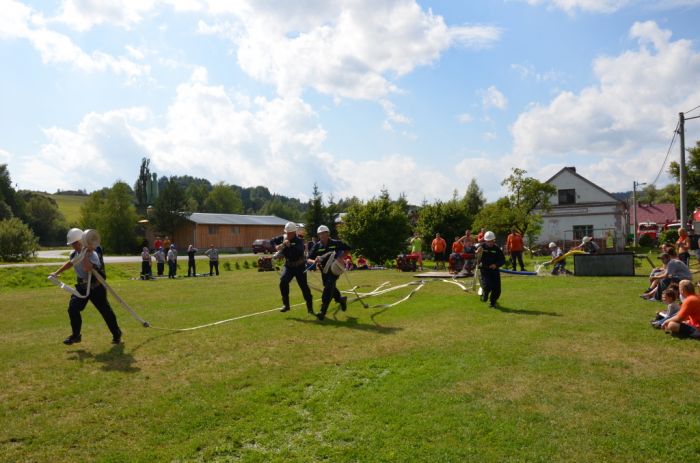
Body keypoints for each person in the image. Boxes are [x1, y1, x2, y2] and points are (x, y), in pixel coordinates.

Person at [50, 228, 122, 345]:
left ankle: (117, 334)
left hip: (96, 287)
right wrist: (56, 273)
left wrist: (86, 253)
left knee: (105, 311)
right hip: (82, 287)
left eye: (76, 243)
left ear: (82, 241)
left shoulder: (93, 254)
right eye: (72, 244)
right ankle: (76, 335)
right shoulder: (74, 254)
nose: (74, 246)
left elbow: (87, 268)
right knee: (73, 309)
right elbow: (71, 263)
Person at [270, 222, 314, 315]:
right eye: (287, 232)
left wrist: (289, 245)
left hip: (299, 266)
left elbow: (298, 252)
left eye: (290, 233)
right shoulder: (283, 238)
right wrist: (277, 246)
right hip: (289, 266)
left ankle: (310, 309)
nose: (288, 234)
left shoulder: (299, 241)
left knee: (304, 287)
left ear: (294, 232)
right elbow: (272, 241)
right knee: (283, 281)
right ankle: (286, 305)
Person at [308, 224, 350, 321]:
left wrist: (341, 258)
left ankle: (323, 311)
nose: (322, 236)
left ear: (328, 233)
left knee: (329, 286)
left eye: (324, 233)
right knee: (329, 286)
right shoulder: (317, 246)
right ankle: (340, 299)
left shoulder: (336, 243)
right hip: (323, 270)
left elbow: (347, 248)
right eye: (320, 234)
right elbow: (309, 259)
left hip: (334, 269)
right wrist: (314, 261)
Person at [478, 231, 506, 308]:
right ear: (485, 241)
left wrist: (496, 265)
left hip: (494, 271)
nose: (490, 243)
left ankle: (492, 302)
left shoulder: (497, 249)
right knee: (487, 285)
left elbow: (502, 260)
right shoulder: (481, 247)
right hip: (484, 270)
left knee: (497, 289)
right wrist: (476, 253)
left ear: (494, 240)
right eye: (488, 241)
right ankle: (485, 295)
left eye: (491, 241)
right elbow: (475, 253)